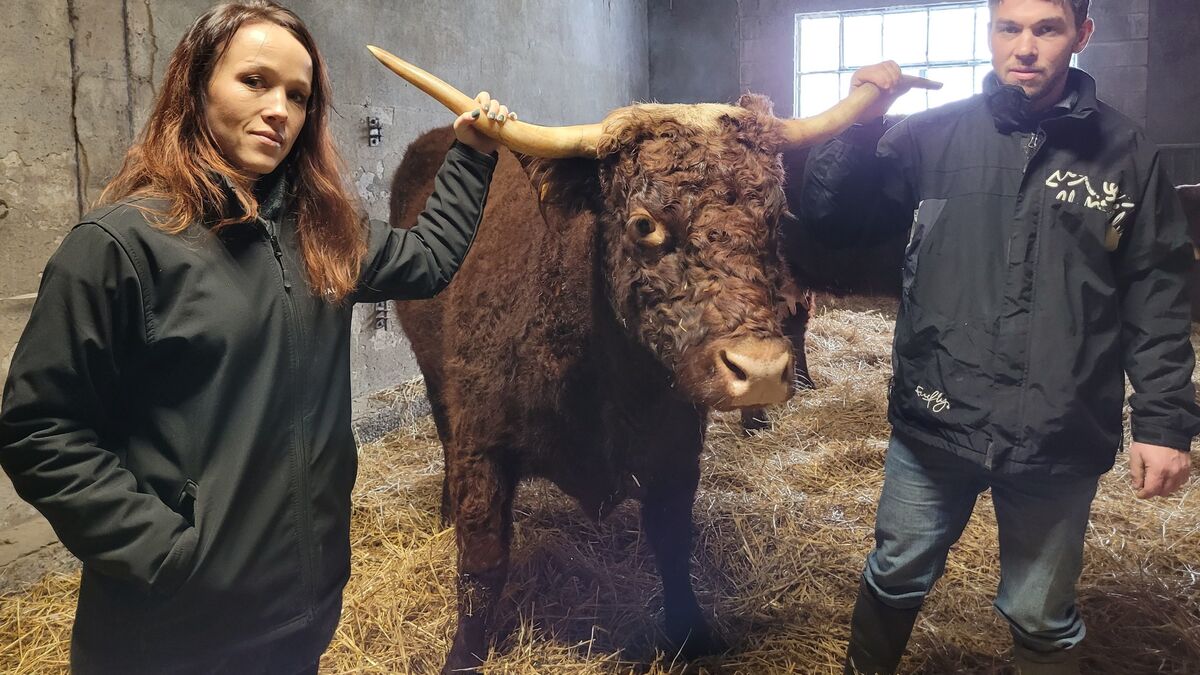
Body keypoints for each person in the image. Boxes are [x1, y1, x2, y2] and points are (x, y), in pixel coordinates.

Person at [0, 2, 513, 672]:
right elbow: (40, 429)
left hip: (297, 617)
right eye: (254, 82)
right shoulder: (120, 246)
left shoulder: (325, 236)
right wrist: (168, 555)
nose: (279, 109)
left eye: (298, 96)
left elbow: (431, 258)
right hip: (166, 635)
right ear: (197, 84)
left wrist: (472, 154)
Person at [798, 1, 1200, 673]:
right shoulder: (930, 136)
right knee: (895, 570)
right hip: (937, 416)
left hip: (1059, 428)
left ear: (1082, 35)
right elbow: (831, 214)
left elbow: (1157, 292)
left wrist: (1164, 420)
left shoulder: (1127, 153)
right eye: (1009, 28)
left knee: (1040, 613)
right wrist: (860, 125)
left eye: (1047, 29)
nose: (1025, 47)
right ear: (990, 33)